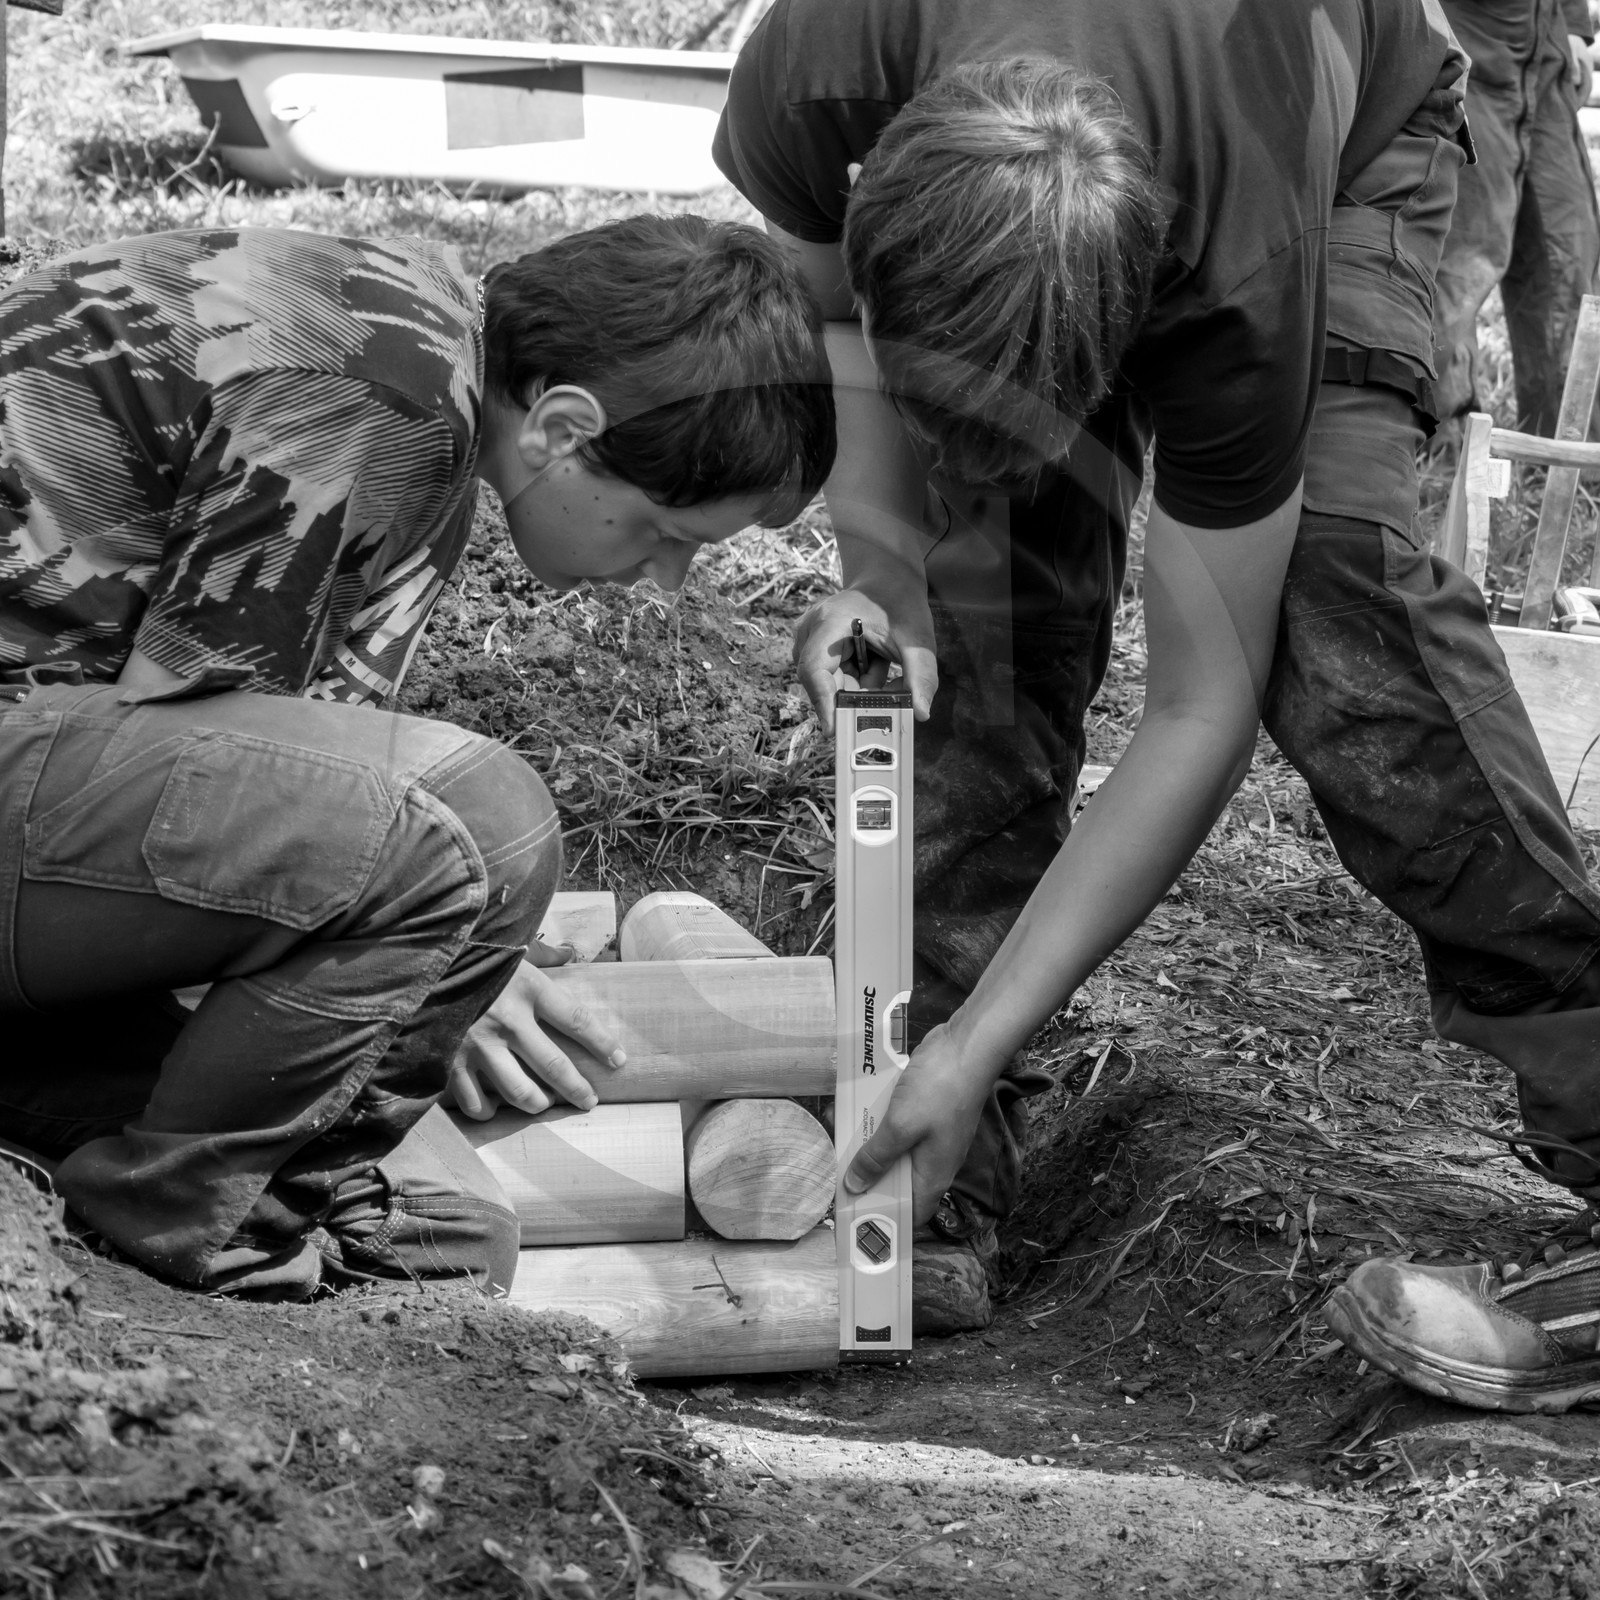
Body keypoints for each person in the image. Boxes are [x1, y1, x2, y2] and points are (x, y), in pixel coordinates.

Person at [713, 0, 1600, 1408]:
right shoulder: (822, 66)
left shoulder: (1244, 274)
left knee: (1338, 606)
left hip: (1344, 154)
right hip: (1145, 144)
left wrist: (981, 1039)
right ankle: (928, 1149)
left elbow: (1200, 705)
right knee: (983, 583)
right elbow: (831, 310)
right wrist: (881, 571)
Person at [0, 217, 834, 1300]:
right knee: (479, 825)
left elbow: (255, 777)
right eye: (666, 533)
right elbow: (216, 759)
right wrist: (441, 926)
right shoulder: (381, 392)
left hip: (44, 802)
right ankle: (193, 1244)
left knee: (444, 1234)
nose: (665, 579)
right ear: (564, 427)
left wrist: (435, 963)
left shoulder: (421, 363)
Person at [1433, 0, 1599, 436]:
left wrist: (1574, 25)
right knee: (1456, 262)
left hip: (1545, 46)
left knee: (1567, 256)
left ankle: (1566, 448)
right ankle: (1445, 448)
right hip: (1461, 37)